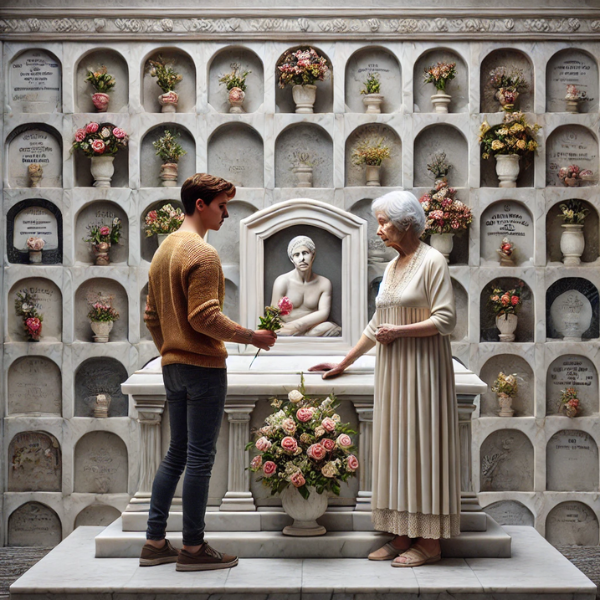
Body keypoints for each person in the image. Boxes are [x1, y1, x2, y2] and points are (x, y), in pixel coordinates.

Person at [310, 190, 460, 567]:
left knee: (422, 449)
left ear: (407, 222)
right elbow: (377, 325)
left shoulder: (433, 261)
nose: (378, 230)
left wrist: (400, 333)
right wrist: (343, 362)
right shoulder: (393, 266)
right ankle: (402, 534)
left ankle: (430, 544)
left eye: (383, 221)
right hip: (394, 373)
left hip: (424, 373)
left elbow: (445, 320)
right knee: (398, 449)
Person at [141, 173, 276, 571]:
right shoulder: (202, 254)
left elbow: (151, 316)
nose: (226, 213)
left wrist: (169, 349)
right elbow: (204, 318)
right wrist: (251, 336)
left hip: (173, 367)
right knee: (199, 459)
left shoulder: (164, 250)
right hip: (202, 369)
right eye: (221, 205)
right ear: (200, 204)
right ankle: (194, 550)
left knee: (176, 454)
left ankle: (154, 541)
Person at [271, 235, 341, 337]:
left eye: (305, 253)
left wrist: (296, 326)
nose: (302, 258)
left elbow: (323, 313)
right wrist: (287, 328)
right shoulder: (282, 281)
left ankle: (305, 337)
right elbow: (273, 314)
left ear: (313, 255)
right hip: (286, 329)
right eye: (296, 255)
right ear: (292, 259)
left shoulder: (323, 283)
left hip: (311, 329)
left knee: (330, 326)